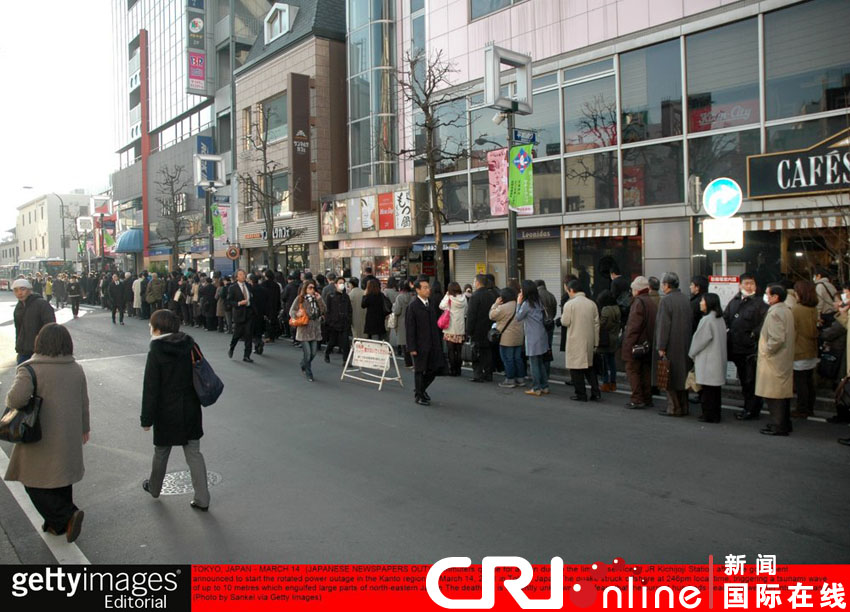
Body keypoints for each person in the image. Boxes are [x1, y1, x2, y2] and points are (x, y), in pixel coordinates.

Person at [4, 324, 89, 541]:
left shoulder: (30, 368)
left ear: (39, 342)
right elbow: (83, 401)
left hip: (39, 435)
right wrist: (84, 428)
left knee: (32, 480)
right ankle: (55, 524)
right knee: (61, 477)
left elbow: (16, 400)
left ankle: (66, 516)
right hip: (68, 433)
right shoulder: (75, 368)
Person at [140, 309, 210, 511]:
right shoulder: (190, 344)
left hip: (166, 410)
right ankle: (202, 498)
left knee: (161, 451)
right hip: (190, 407)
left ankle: (154, 488)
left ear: (159, 328)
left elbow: (151, 388)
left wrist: (147, 419)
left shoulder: (156, 350)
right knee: (194, 453)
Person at [723, 273, 768, 420]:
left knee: (751, 380)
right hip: (736, 347)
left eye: (752, 284)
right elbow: (726, 318)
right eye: (746, 283)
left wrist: (753, 335)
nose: (749, 286)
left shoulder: (760, 303)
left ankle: (752, 409)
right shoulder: (734, 301)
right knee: (744, 379)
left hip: (750, 349)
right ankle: (748, 405)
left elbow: (764, 324)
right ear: (740, 285)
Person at [756, 284, 795, 436]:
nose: (765, 296)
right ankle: (785, 423)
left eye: (767, 294)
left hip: (774, 361)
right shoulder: (786, 310)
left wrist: (766, 351)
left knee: (774, 395)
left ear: (775, 296)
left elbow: (777, 339)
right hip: (783, 359)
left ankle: (778, 425)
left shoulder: (775, 313)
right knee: (782, 394)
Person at [655, 272, 693, 417]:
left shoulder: (666, 301)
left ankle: (673, 408)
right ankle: (684, 407)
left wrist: (661, 346)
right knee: (682, 377)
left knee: (669, 377)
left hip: (671, 344)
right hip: (685, 343)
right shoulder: (685, 299)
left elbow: (663, 326)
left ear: (666, 285)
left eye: (663, 284)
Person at [406, 279, 446, 405]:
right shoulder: (413, 306)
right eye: (424, 288)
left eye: (428, 287)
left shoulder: (431, 303)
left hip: (433, 343)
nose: (428, 290)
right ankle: (419, 395)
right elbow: (410, 328)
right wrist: (411, 347)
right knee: (420, 370)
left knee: (434, 369)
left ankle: (420, 390)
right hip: (420, 344)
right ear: (417, 290)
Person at [688, 293, 727, 423]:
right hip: (717, 358)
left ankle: (709, 415)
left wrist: (691, 353)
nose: (700, 303)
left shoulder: (707, 320)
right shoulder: (719, 318)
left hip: (708, 360)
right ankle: (715, 414)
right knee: (715, 391)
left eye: (702, 301)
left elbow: (699, 341)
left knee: (707, 391)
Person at [561, 279, 601, 402]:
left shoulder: (570, 304)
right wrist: (596, 343)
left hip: (575, 339)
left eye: (567, 290)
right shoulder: (592, 303)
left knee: (575, 369)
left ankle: (581, 394)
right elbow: (596, 324)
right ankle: (596, 392)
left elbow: (565, 322)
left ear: (571, 290)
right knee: (589, 367)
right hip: (589, 340)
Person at [790, 280, 819, 419]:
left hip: (800, 349)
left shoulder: (797, 310)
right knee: (809, 382)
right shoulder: (813, 308)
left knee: (801, 383)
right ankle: (809, 408)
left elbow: (792, 332)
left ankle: (802, 409)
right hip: (811, 349)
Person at [516, 280, 550, 396]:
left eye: (521, 289)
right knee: (540, 363)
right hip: (542, 335)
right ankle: (544, 386)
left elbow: (518, 317)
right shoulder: (538, 301)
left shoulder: (526, 304)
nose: (520, 291)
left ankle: (536, 388)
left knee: (534, 363)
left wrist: (518, 303)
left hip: (532, 337)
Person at [13, 278, 56, 364]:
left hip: (41, 352)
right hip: (23, 352)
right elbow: (18, 330)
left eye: (22, 289)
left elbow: (51, 327)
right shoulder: (19, 307)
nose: (19, 293)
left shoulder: (41, 304)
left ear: (30, 290)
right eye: (16, 290)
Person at [289, 280, 326, 381]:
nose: (312, 290)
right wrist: (297, 314)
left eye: (314, 288)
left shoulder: (316, 299)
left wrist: (320, 299)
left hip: (315, 329)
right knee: (308, 353)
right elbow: (292, 311)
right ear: (305, 289)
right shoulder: (300, 298)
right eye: (310, 288)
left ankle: (303, 363)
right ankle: (308, 372)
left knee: (313, 353)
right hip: (304, 329)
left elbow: (323, 310)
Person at [490, 287, 525, 387]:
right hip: (518, 336)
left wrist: (495, 304)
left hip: (506, 338)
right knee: (517, 358)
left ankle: (510, 380)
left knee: (507, 358)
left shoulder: (503, 307)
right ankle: (520, 378)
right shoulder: (519, 305)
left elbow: (491, 315)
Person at [467, 274, 497, 383]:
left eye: (475, 281)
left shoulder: (475, 296)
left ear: (478, 283)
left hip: (477, 329)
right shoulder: (491, 295)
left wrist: (469, 330)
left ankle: (478, 374)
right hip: (489, 328)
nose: (474, 283)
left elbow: (471, 315)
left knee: (476, 352)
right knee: (487, 352)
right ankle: (488, 374)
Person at [439, 282, 467, 377]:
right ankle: (459, 370)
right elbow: (466, 311)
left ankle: (452, 370)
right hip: (460, 328)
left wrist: (446, 295)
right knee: (459, 350)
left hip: (450, 328)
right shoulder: (464, 298)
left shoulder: (449, 298)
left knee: (451, 350)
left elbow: (441, 306)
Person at [227, 269, 255, 362]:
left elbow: (252, 297)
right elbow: (229, 301)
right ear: (237, 277)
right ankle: (232, 348)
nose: (243, 276)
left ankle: (247, 355)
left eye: (244, 274)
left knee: (248, 334)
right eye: (241, 274)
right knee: (237, 334)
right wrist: (239, 303)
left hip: (248, 313)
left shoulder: (248, 286)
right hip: (239, 313)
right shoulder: (233, 287)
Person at [596, 290, 621, 392]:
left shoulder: (606, 310)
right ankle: (613, 383)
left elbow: (601, 324)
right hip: (615, 338)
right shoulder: (617, 308)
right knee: (612, 362)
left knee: (604, 363)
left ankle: (605, 383)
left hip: (606, 339)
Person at [324, 276, 352, 362]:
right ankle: (327, 353)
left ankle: (345, 360)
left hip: (344, 322)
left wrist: (348, 319)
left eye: (343, 283)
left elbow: (349, 309)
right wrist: (329, 321)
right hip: (334, 323)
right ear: (335, 284)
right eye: (340, 283)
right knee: (332, 341)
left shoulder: (346, 296)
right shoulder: (331, 296)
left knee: (345, 342)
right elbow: (327, 309)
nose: (342, 285)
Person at [393, 281, 414, 367]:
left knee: (403, 342)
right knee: (411, 340)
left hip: (401, 321)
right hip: (412, 320)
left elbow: (397, 311)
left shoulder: (399, 298)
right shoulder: (413, 297)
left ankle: (408, 362)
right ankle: (413, 361)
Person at [248, 274, 267, 353]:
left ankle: (258, 343)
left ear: (251, 281)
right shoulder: (263, 289)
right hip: (261, 312)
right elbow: (266, 301)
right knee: (259, 331)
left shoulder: (250, 290)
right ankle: (258, 345)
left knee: (252, 331)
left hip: (252, 313)